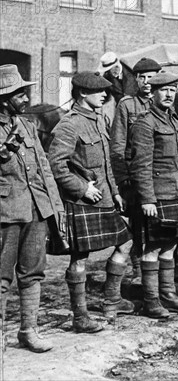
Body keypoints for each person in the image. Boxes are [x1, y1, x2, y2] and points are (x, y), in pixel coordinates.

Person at [49, 72, 133, 333]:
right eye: (99, 91)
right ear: (83, 93)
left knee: (126, 242)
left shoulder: (99, 119)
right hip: (83, 202)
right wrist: (82, 188)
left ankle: (111, 300)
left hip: (105, 198)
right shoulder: (69, 124)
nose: (105, 95)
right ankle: (80, 316)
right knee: (80, 257)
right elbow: (55, 165)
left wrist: (116, 192)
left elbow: (106, 163)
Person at [0, 65, 64, 353]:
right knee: (1, 276)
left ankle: (29, 330)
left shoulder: (27, 125)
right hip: (5, 211)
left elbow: (44, 167)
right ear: (4, 98)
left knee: (33, 272)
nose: (25, 99)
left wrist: (55, 207)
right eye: (19, 94)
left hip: (36, 210)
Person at [130, 71, 178, 318]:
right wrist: (147, 199)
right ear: (154, 92)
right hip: (158, 196)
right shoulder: (144, 123)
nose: (170, 94)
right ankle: (151, 301)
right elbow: (141, 165)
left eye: (173, 90)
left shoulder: (176, 121)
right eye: (164, 90)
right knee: (152, 248)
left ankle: (169, 295)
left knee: (170, 245)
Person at [109, 57, 161, 283]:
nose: (148, 82)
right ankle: (138, 269)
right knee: (138, 223)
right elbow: (118, 145)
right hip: (135, 174)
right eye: (143, 77)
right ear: (137, 80)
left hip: (160, 174)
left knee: (163, 221)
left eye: (152, 77)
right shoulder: (127, 105)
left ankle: (165, 268)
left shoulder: (165, 103)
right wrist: (122, 178)